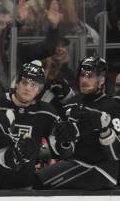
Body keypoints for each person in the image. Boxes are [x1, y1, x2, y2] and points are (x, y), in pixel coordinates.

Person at [0, 61, 77, 189]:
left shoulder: (46, 112)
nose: (28, 88)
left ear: (39, 90)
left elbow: (62, 153)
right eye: (25, 82)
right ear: (17, 84)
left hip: (24, 186)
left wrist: (65, 142)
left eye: (34, 85)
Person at [35, 56, 120, 190]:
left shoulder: (112, 107)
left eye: (90, 76)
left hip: (101, 170)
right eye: (82, 76)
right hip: (76, 164)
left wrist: (105, 130)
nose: (84, 80)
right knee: (32, 177)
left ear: (102, 79)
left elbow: (116, 155)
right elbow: (65, 153)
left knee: (38, 181)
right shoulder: (72, 103)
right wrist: (65, 141)